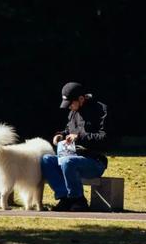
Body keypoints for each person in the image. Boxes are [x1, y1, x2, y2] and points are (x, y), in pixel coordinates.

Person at [41, 82, 108, 211]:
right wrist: (60, 135)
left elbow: (105, 139)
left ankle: (78, 200)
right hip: (71, 157)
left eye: (71, 103)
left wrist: (80, 136)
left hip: (94, 161)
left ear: (81, 99)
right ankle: (64, 198)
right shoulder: (73, 112)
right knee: (46, 160)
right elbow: (68, 130)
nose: (70, 107)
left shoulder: (100, 110)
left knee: (67, 162)